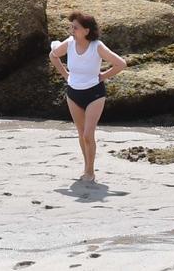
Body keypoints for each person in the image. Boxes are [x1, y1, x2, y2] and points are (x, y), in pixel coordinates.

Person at [49, 10, 125, 185]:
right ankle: (86, 167)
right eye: (71, 27)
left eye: (75, 28)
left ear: (86, 31)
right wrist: (65, 74)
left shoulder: (97, 46)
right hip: (73, 93)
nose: (72, 31)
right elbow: (53, 55)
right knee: (81, 134)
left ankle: (90, 171)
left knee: (88, 134)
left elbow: (121, 63)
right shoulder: (68, 44)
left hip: (94, 94)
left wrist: (103, 76)